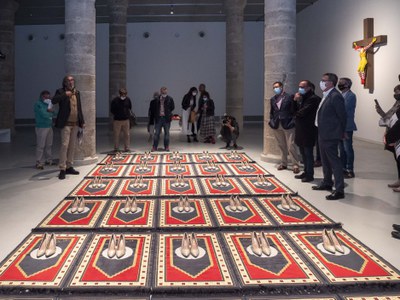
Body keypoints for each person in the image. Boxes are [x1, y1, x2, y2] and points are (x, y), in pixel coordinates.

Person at [312, 73, 347, 200]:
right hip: (322, 132)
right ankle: (327, 182)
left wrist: (341, 132)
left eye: (324, 80)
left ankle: (339, 190)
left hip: (331, 133)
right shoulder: (326, 95)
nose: (321, 82)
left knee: (334, 161)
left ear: (331, 83)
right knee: (325, 160)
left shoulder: (335, 96)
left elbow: (342, 116)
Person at [52, 75, 85, 180]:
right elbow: (54, 100)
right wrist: (64, 95)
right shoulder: (60, 91)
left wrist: (82, 121)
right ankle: (62, 168)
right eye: (69, 80)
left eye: (72, 80)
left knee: (72, 146)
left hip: (75, 123)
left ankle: (69, 166)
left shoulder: (77, 92)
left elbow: (79, 108)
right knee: (64, 145)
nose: (71, 82)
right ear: (65, 82)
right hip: (65, 123)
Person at [268, 81, 301, 174]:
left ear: (282, 87)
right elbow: (272, 112)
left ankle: (295, 164)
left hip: (288, 124)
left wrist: (293, 121)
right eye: (274, 87)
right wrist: (271, 121)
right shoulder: (273, 99)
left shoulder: (289, 97)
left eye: (277, 87)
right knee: (281, 145)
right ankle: (284, 163)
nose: (275, 89)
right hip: (277, 124)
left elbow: (295, 109)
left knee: (291, 145)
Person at [293, 80, 321, 182]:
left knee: (308, 153)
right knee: (303, 152)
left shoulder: (314, 99)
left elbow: (301, 113)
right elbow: (294, 112)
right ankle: (305, 171)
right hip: (301, 128)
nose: (300, 88)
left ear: (309, 88)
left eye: (302, 87)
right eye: (299, 86)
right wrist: (296, 101)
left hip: (309, 129)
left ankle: (310, 174)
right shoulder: (303, 98)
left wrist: (296, 110)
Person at [375, 84, 400, 191]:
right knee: (397, 159)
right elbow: (389, 118)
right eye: (395, 92)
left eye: (397, 92)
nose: (395, 94)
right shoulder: (397, 103)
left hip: (397, 134)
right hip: (394, 134)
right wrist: (380, 111)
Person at [338, 77, 357, 178]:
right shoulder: (341, 95)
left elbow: (344, 109)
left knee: (348, 148)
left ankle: (350, 169)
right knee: (341, 149)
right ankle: (343, 168)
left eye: (341, 83)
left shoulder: (351, 96)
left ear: (347, 85)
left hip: (347, 126)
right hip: (339, 126)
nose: (339, 84)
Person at [34, 90, 56, 169]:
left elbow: (55, 113)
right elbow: (44, 114)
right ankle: (39, 162)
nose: (47, 98)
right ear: (41, 97)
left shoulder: (49, 104)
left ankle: (48, 160)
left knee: (49, 144)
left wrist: (51, 111)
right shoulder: (38, 104)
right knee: (41, 145)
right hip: (41, 127)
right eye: (45, 97)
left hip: (49, 126)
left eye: (48, 97)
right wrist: (50, 112)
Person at [150, 87, 175, 151]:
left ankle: (166, 147)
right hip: (159, 118)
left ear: (167, 91)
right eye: (162, 92)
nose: (164, 93)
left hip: (166, 119)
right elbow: (154, 108)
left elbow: (172, 107)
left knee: (166, 133)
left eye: (165, 92)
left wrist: (168, 112)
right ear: (160, 92)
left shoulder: (170, 98)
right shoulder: (157, 99)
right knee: (156, 133)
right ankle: (154, 147)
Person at [110, 88, 132, 152]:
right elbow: (112, 110)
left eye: (125, 94)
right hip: (117, 120)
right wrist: (117, 114)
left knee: (127, 134)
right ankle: (116, 148)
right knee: (116, 134)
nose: (124, 96)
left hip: (126, 120)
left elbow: (130, 107)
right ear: (120, 94)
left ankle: (127, 147)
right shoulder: (115, 100)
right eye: (122, 94)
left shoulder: (128, 99)